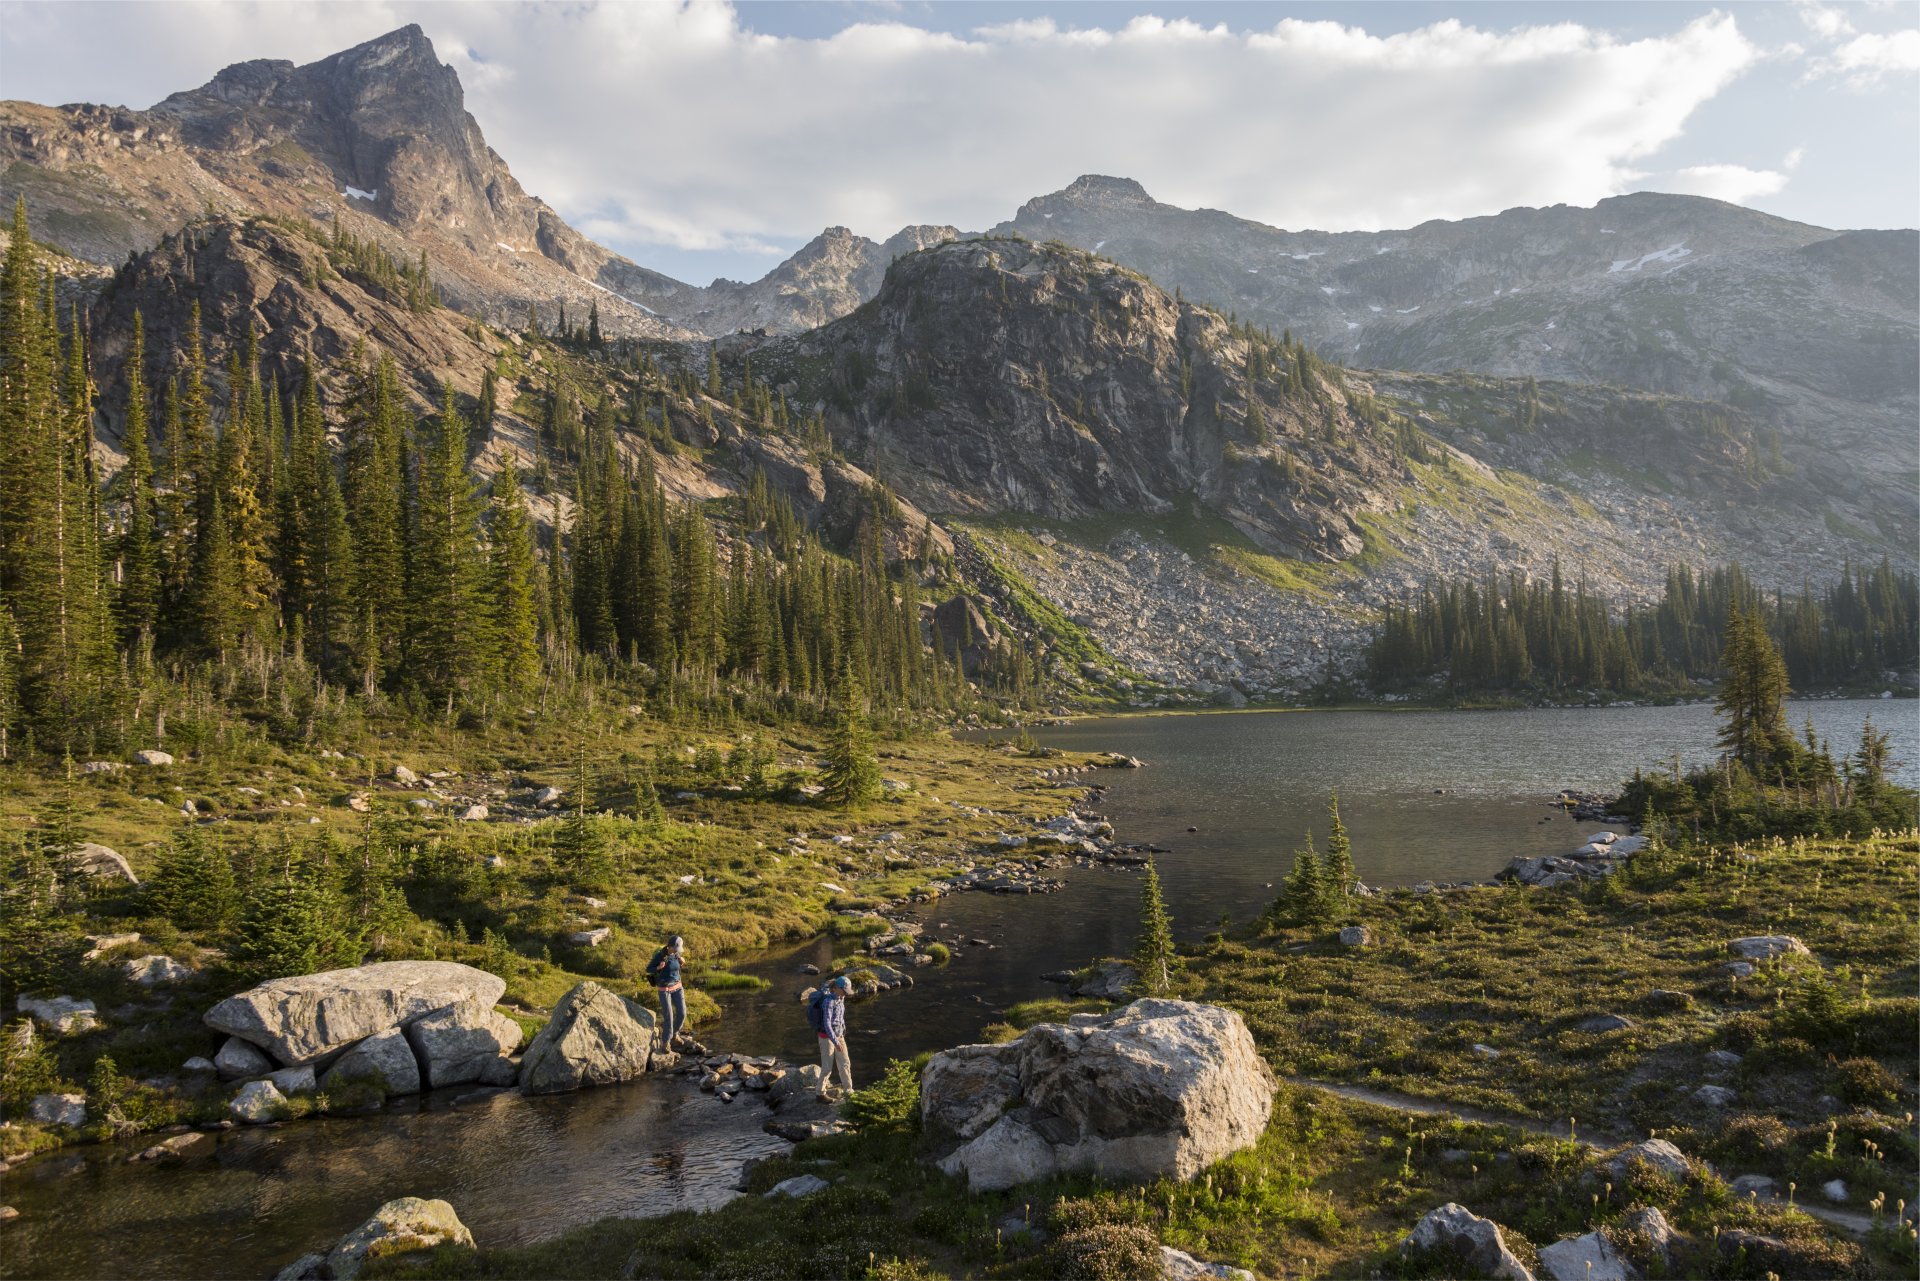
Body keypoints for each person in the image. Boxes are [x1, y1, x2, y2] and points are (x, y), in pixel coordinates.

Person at [808, 974, 854, 1103]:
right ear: (836, 988)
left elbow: (840, 1018)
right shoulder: (828, 1001)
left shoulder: (841, 998)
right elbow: (827, 1024)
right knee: (827, 1067)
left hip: (839, 1036)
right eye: (844, 991)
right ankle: (820, 1093)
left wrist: (842, 1033)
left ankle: (848, 1091)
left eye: (847, 992)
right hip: (826, 1038)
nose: (845, 994)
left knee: (845, 1063)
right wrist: (835, 1041)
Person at [645, 935, 687, 1049]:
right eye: (676, 949)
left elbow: (675, 968)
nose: (677, 951)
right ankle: (665, 1042)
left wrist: (682, 962)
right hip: (665, 990)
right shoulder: (660, 956)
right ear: (670, 947)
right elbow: (648, 969)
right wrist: (658, 967)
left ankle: (674, 1034)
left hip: (678, 987)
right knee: (669, 1016)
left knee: (682, 1013)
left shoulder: (677, 954)